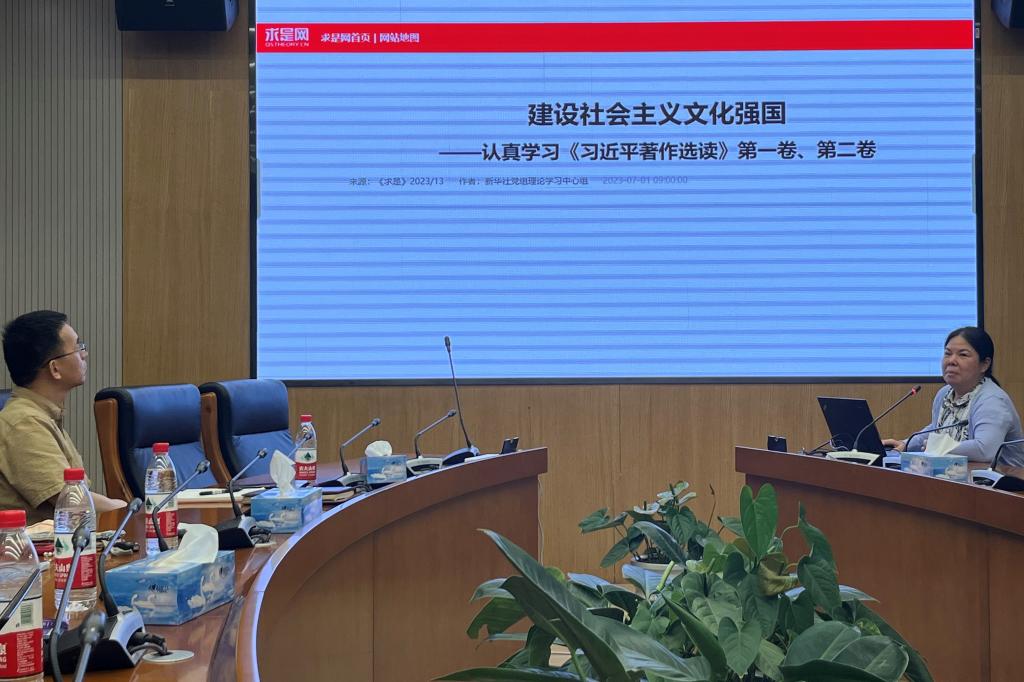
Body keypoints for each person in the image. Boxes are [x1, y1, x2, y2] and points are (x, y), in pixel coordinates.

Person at [0, 310, 124, 523]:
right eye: (77, 347)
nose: (84, 354)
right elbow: (72, 500)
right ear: (55, 368)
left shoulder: (42, 414)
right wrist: (130, 509)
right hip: (35, 544)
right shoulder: (23, 423)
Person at [883, 327, 1024, 468]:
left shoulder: (992, 401)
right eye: (947, 353)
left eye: (963, 355)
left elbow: (985, 450)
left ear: (984, 364)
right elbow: (936, 430)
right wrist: (906, 444)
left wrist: (938, 446)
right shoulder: (945, 393)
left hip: (1002, 480)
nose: (951, 361)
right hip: (956, 475)